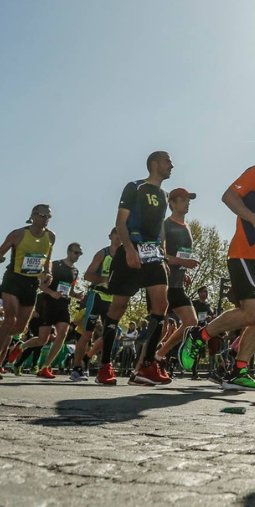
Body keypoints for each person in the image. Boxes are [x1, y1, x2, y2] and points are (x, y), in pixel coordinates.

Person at [177, 138, 255, 392]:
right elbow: (228, 196)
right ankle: (199, 335)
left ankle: (238, 370)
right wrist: (253, 219)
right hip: (244, 255)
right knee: (254, 312)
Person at [97, 151, 176, 386]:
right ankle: (104, 365)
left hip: (154, 257)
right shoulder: (135, 187)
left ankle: (146, 366)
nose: (172, 165)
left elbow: (160, 228)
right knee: (118, 308)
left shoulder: (164, 194)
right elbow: (120, 222)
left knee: (161, 305)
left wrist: (164, 256)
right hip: (131, 251)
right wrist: (129, 249)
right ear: (155, 164)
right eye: (168, 161)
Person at [0, 204, 55, 380]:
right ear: (32, 215)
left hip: (31, 283)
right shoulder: (18, 234)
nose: (45, 218)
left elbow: (48, 259)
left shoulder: (51, 236)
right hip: (13, 279)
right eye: (42, 215)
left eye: (48, 216)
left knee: (19, 328)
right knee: (10, 319)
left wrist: (48, 272)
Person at [155, 188, 201, 367]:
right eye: (183, 199)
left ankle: (159, 355)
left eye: (189, 199)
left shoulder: (187, 227)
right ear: (172, 203)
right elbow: (160, 255)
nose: (187, 202)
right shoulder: (166, 225)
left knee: (191, 322)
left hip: (177, 285)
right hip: (162, 284)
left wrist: (184, 271)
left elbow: (180, 256)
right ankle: (144, 363)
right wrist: (182, 261)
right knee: (160, 329)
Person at [70, 231, 118, 382]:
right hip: (97, 296)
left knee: (110, 334)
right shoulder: (102, 254)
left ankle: (87, 358)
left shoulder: (125, 255)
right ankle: (77, 368)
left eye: (121, 235)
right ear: (110, 236)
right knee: (87, 333)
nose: (119, 237)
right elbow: (88, 275)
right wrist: (104, 278)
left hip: (113, 298)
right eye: (115, 234)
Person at [29, 243, 82, 379]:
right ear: (68, 252)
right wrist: (52, 293)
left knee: (63, 334)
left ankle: (45, 367)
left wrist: (76, 295)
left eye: (80, 254)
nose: (77, 256)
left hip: (63, 305)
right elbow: (41, 285)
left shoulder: (75, 271)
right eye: (76, 253)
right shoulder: (55, 265)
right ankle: (22, 347)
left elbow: (69, 290)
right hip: (48, 304)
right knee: (43, 339)